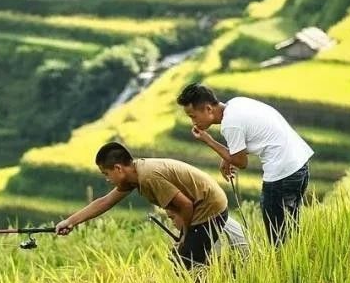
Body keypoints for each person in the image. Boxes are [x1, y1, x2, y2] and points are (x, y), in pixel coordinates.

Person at [54, 142, 246, 270]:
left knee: (186, 261)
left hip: (208, 207)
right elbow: (105, 202)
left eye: (106, 173)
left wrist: (185, 236)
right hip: (205, 204)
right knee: (185, 259)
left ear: (118, 168)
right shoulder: (135, 175)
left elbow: (186, 206)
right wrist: (71, 221)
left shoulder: (148, 177)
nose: (107, 179)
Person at [177, 82, 313, 247]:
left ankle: (284, 265)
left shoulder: (230, 124)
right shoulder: (237, 103)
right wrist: (227, 157)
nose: (193, 122)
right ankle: (297, 259)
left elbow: (241, 162)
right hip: (299, 164)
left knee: (277, 236)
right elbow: (256, 137)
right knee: (291, 226)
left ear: (208, 109)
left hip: (282, 173)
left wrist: (209, 140)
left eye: (193, 116)